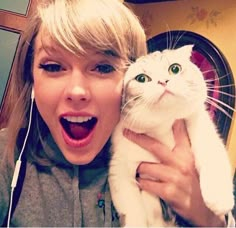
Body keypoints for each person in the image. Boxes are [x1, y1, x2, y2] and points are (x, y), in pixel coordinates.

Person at [0, 0, 234, 226]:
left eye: (103, 67)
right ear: (31, 80)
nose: (77, 91)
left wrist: (209, 220)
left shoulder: (176, 154)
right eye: (53, 66)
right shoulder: (5, 157)